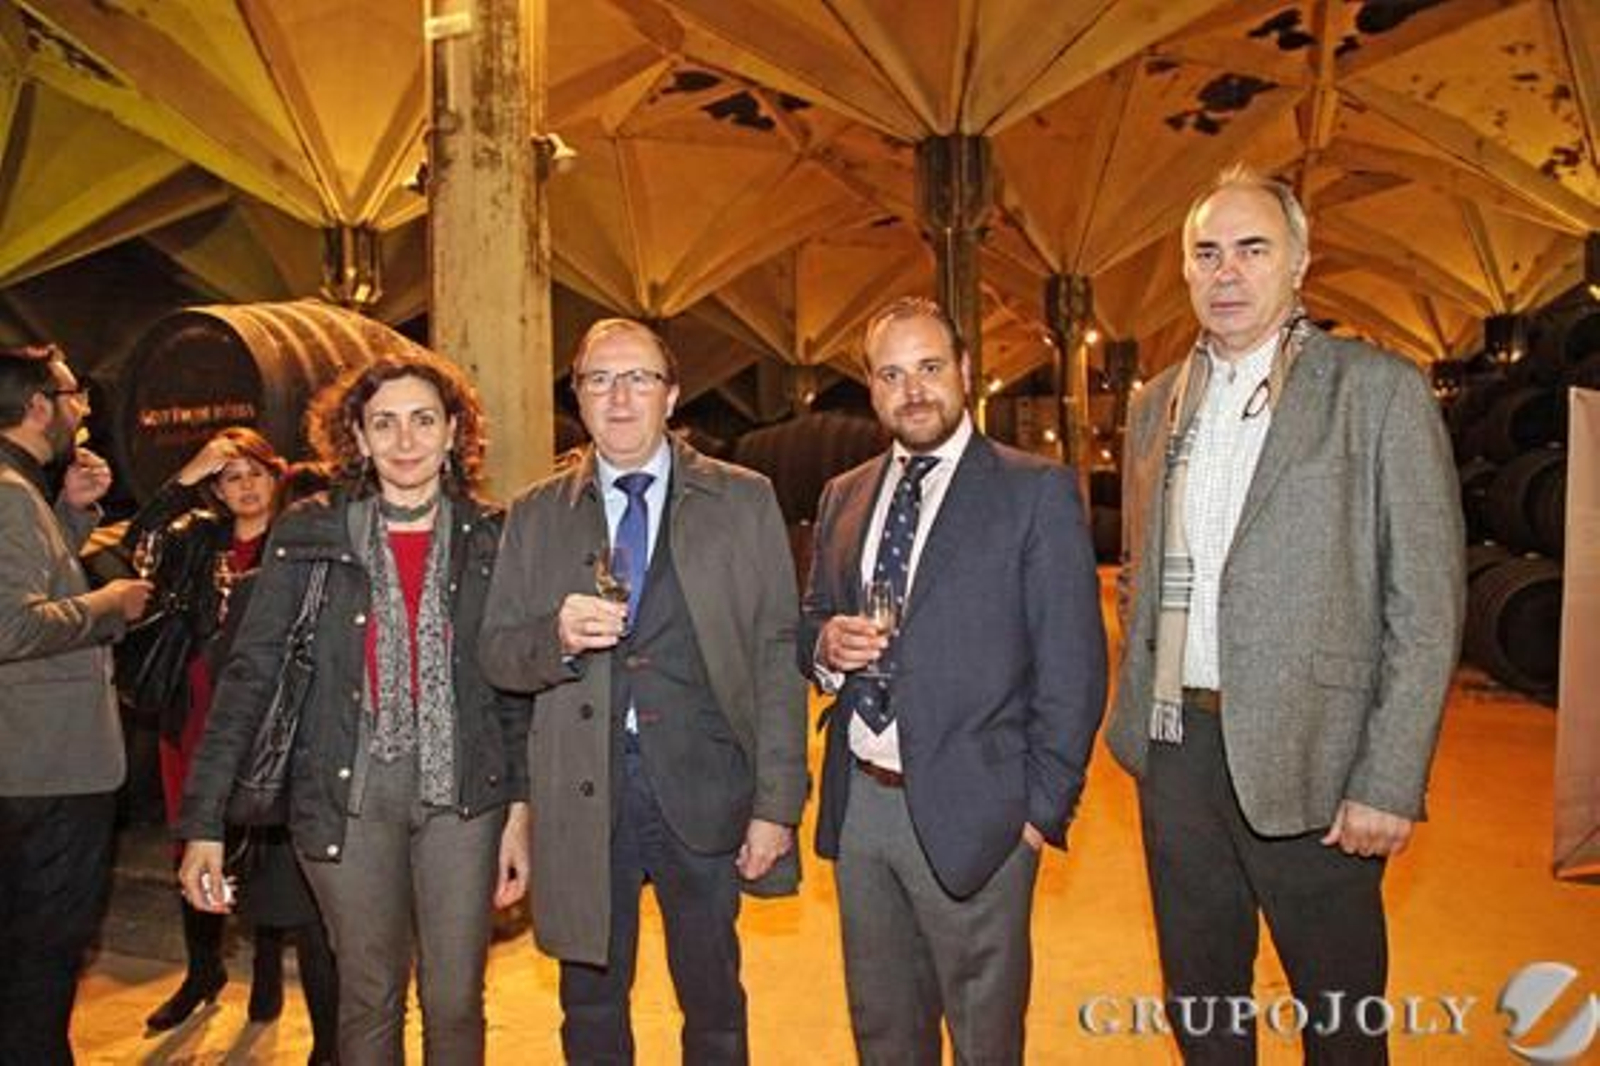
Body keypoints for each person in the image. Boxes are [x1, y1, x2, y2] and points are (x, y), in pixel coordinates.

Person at [1106, 164, 1465, 1064]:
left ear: (1299, 261)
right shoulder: (1156, 406)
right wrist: (1137, 718)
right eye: (1207, 253)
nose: (1226, 272)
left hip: (1320, 755)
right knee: (1204, 1006)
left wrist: (1388, 777)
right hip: (1179, 749)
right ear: (1187, 271)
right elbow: (1137, 572)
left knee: (1339, 1016)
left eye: (1252, 249)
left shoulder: (1376, 393)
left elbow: (1425, 602)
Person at [177, 350, 531, 1065]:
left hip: (465, 792)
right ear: (359, 438)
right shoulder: (308, 531)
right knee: (368, 996)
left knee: (455, 997)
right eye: (385, 423)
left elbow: (513, 691)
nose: (405, 441)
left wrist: (521, 810)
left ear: (453, 431)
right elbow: (249, 676)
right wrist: (204, 822)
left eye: (423, 420)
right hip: (343, 789)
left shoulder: (493, 534)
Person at [479, 318, 807, 1065]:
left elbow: (775, 654)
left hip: (705, 786)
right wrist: (555, 639)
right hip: (584, 797)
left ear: (673, 396)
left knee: (714, 1000)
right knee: (590, 1005)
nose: (619, 397)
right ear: (578, 396)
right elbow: (497, 654)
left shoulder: (743, 500)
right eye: (599, 379)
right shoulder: (534, 515)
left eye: (639, 379)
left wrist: (776, 805)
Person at [800, 296, 1107, 1065]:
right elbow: (809, 621)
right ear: (871, 388)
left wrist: (1039, 813)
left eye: (930, 368)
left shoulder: (1033, 490)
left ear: (967, 373)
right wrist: (826, 646)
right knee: (884, 1033)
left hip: (983, 812)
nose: (913, 390)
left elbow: (1074, 663)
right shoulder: (845, 495)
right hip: (864, 805)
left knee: (984, 1039)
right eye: (892, 374)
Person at [0, 344, 152, 1064]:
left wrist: (72, 513)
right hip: (45, 767)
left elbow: (34, 578)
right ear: (37, 406)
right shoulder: (5, 489)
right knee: (44, 949)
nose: (84, 407)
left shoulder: (25, 490)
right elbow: (14, 624)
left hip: (36, 761)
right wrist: (111, 603)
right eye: (72, 394)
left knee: (31, 945)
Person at [121, 428, 294, 1032]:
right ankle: (202, 970)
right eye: (230, 477)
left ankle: (266, 964)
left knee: (262, 838)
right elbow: (136, 545)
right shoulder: (198, 537)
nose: (244, 486)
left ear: (276, 477)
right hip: (192, 706)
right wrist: (186, 476)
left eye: (254, 473)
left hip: (266, 714)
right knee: (192, 834)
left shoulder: (295, 539)